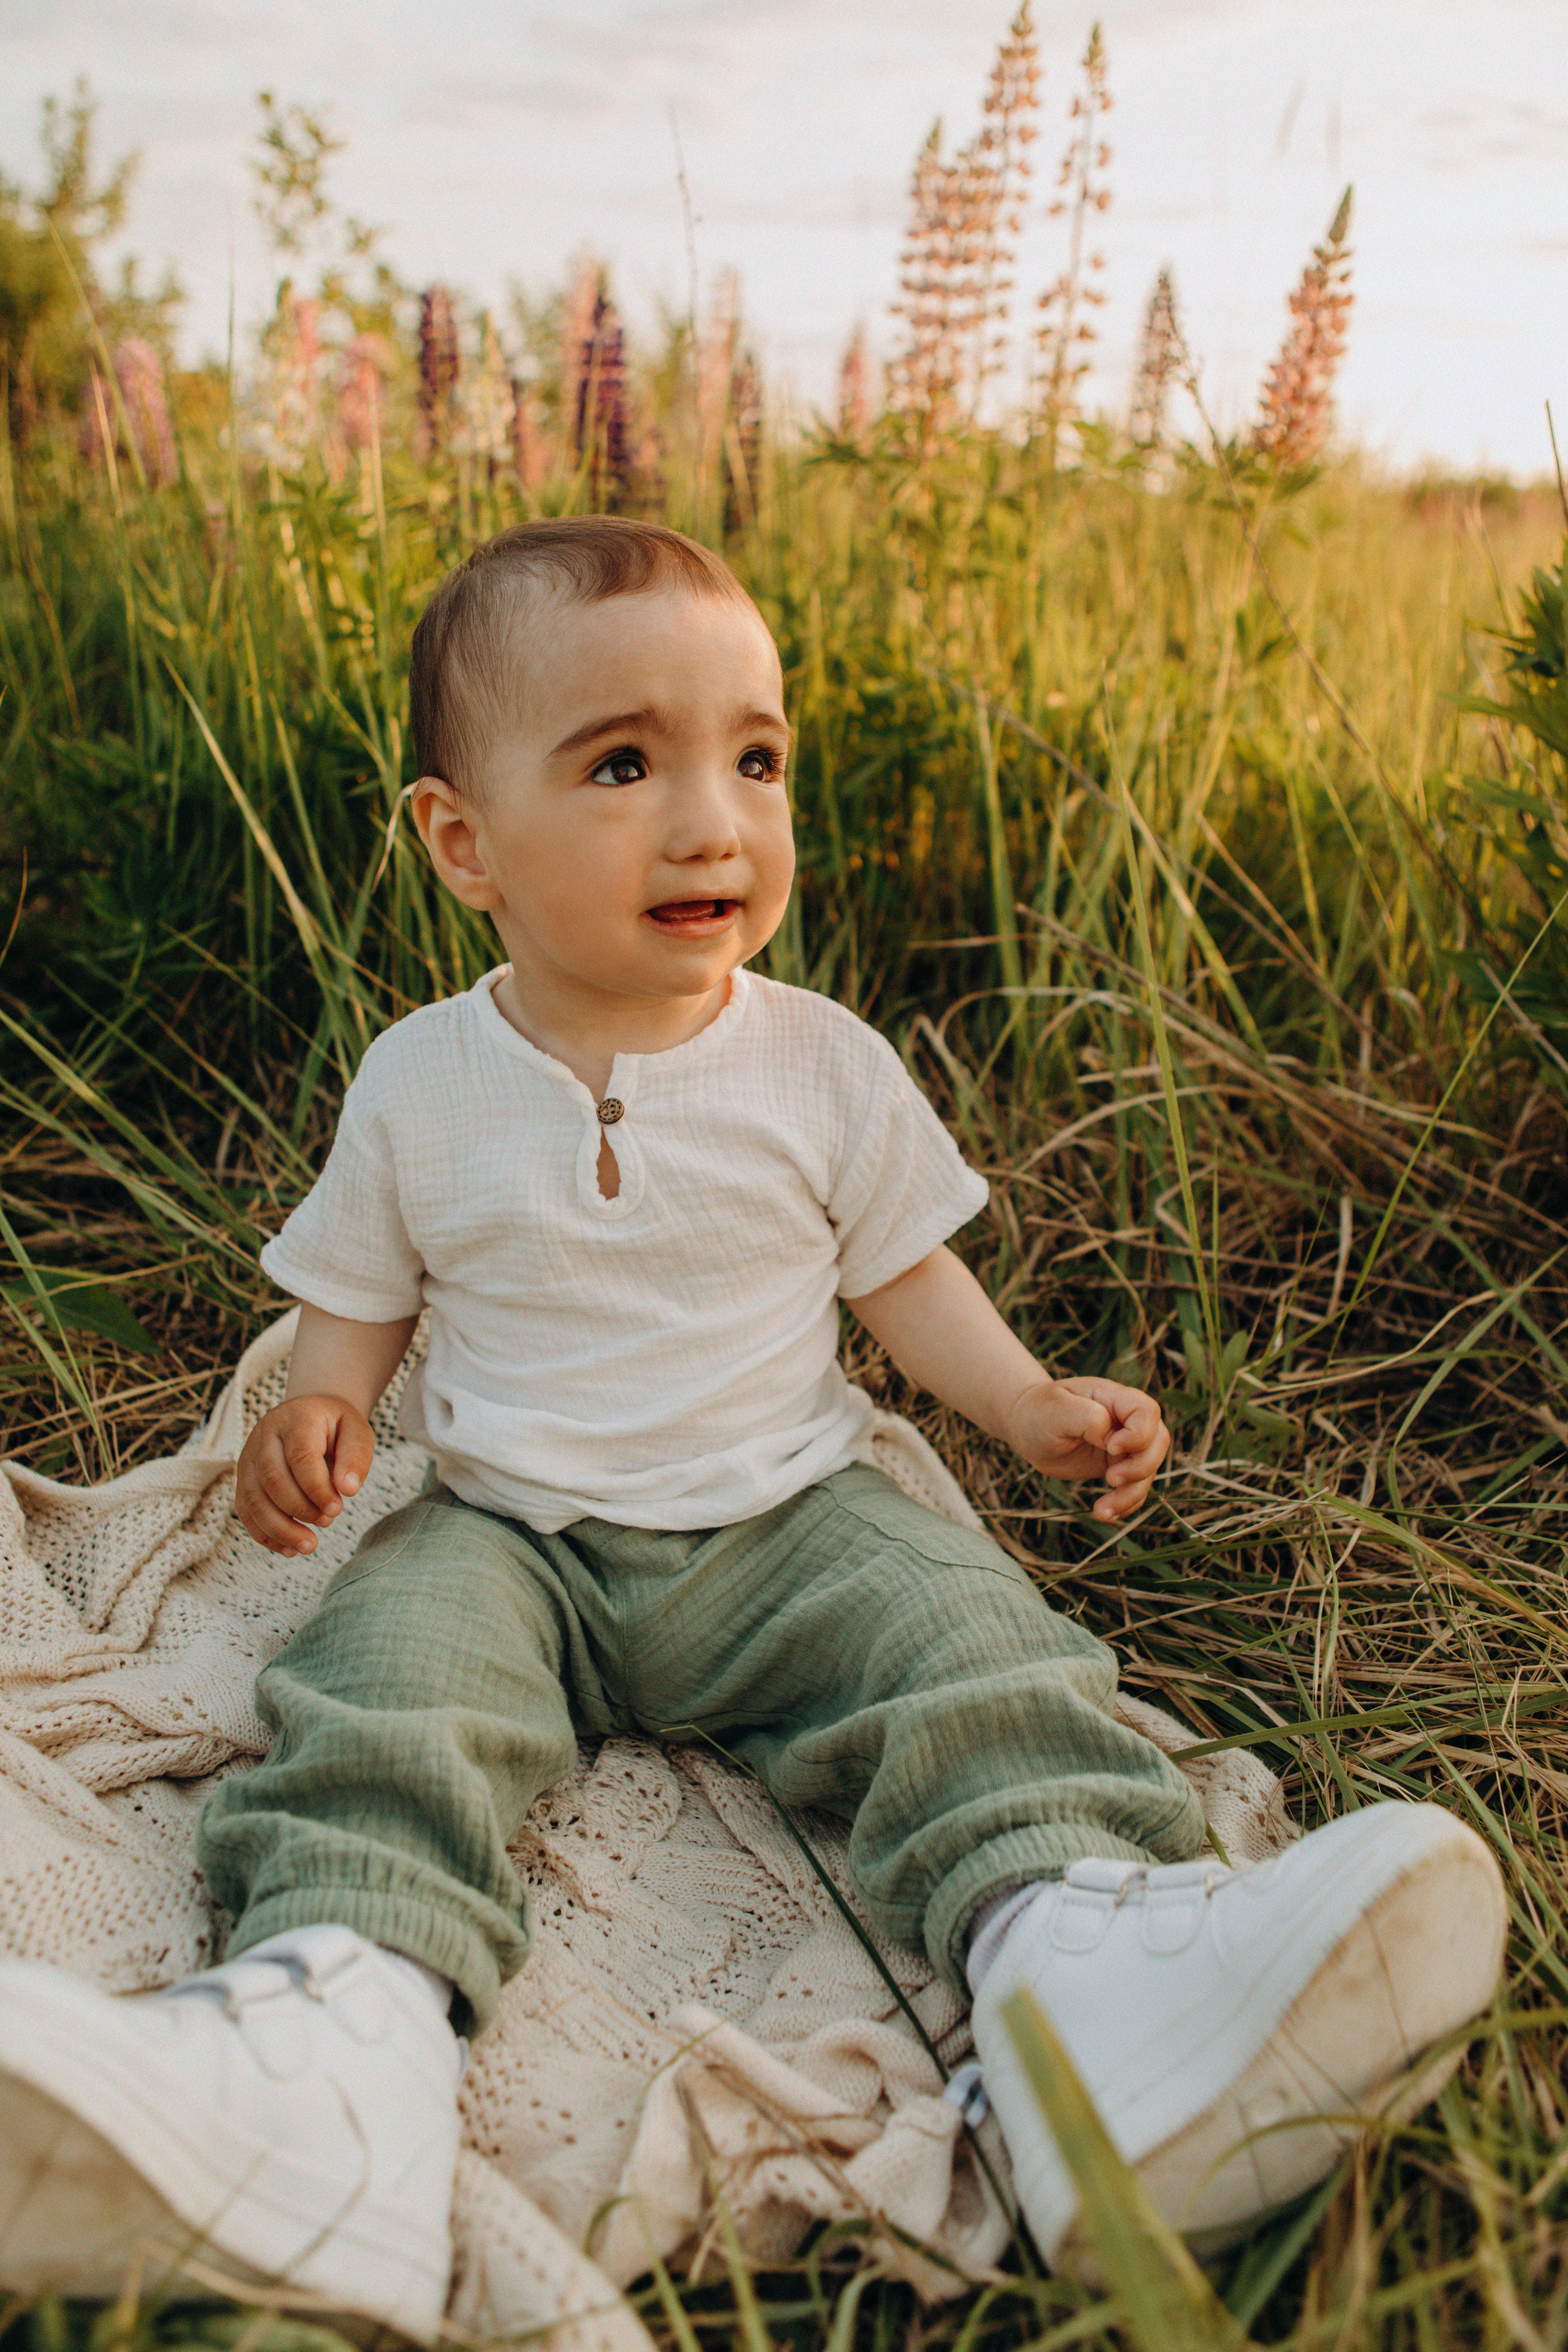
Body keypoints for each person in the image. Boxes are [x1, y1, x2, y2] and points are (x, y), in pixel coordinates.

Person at [0, 518, 1506, 2336]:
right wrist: (315, 1410)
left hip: (789, 1517)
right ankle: (332, 2054)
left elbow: (908, 1282)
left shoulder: (819, 1063)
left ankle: (1090, 1990)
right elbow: (361, 1296)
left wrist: (1029, 1402)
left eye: (758, 758)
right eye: (626, 763)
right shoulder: (420, 1081)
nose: (716, 818)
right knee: (378, 1682)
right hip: (513, 1532)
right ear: (461, 841)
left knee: (962, 1649)